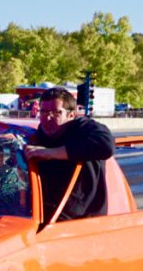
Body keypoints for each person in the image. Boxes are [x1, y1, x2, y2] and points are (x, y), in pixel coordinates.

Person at [24, 86, 115, 221]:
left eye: (56, 112)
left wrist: (51, 153)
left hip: (84, 221)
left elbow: (106, 146)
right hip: (44, 218)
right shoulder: (39, 136)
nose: (47, 118)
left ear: (71, 115)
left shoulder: (85, 129)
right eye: (43, 112)